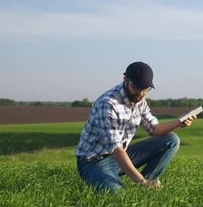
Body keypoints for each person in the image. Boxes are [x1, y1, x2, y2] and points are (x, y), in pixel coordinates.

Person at [75, 61, 196, 192]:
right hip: (94, 161)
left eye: (146, 89)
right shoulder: (108, 104)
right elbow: (116, 150)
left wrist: (178, 122)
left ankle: (149, 182)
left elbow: (154, 129)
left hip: (119, 155)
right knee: (117, 194)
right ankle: (143, 183)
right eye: (137, 87)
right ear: (125, 80)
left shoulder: (139, 99)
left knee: (171, 140)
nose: (141, 93)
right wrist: (141, 181)